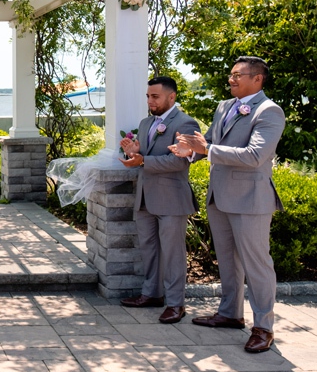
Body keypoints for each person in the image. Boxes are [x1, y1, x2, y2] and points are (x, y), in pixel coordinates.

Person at [171, 56, 285, 353]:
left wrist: (206, 148)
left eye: (238, 75)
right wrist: (189, 151)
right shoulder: (224, 106)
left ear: (258, 79)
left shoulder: (269, 111)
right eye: (231, 74)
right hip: (219, 197)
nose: (231, 79)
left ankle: (263, 327)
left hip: (250, 200)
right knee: (228, 260)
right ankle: (231, 314)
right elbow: (208, 143)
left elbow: (254, 156)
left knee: (257, 264)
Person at [118, 76, 200, 324]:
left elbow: (178, 161)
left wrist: (143, 161)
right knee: (149, 250)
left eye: (155, 96)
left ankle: (176, 304)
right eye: (148, 96)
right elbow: (143, 155)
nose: (150, 101)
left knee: (173, 254)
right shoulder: (145, 123)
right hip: (145, 197)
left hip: (172, 199)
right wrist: (132, 153)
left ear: (171, 97)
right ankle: (152, 294)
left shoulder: (185, 123)